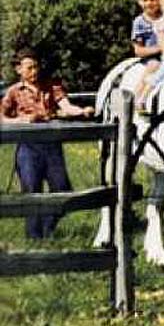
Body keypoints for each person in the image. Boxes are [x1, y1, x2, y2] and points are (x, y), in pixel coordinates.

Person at [0, 48, 94, 239]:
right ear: (19, 70)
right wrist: (23, 121)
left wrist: (82, 111)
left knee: (63, 190)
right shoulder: (13, 92)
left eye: (36, 67)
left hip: (52, 146)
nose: (34, 72)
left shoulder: (52, 87)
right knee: (32, 193)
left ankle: (47, 229)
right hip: (28, 147)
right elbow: (1, 117)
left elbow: (66, 106)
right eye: (29, 68)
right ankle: (35, 239)